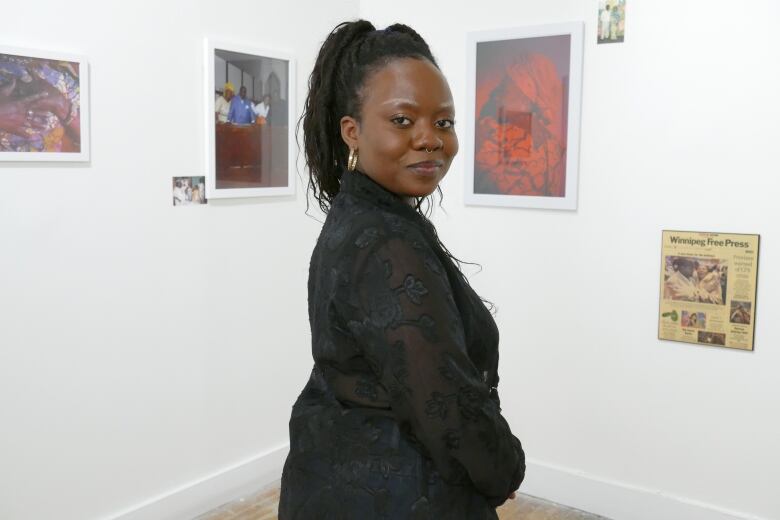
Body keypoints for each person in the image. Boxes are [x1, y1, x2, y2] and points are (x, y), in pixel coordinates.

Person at [278, 21, 525, 520]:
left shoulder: (362, 218)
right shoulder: (386, 243)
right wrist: (503, 468)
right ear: (353, 131)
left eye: (444, 123)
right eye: (402, 120)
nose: (430, 139)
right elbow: (446, 406)